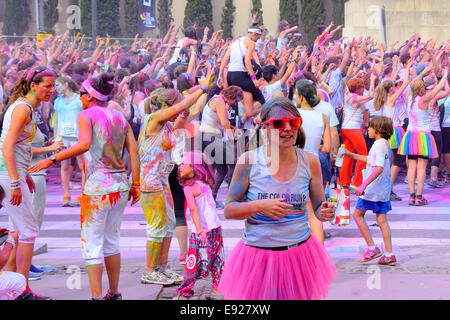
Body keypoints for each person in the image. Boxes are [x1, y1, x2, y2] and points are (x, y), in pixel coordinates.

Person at [29, 73, 141, 300]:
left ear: (89, 96)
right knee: (112, 242)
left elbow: (84, 144)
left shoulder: (86, 115)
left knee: (92, 244)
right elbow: (134, 151)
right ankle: (114, 293)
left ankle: (97, 297)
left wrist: (51, 158)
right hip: (120, 185)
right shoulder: (119, 117)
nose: (80, 98)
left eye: (82, 94)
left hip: (98, 188)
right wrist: (135, 183)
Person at [218, 97, 336, 300]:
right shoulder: (249, 161)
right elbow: (229, 210)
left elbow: (317, 205)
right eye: (279, 124)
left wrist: (324, 211)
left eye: (294, 123)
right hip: (258, 258)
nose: (288, 129)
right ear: (264, 128)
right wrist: (258, 206)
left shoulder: (310, 162)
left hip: (299, 256)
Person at [139, 77, 212, 286]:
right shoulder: (153, 118)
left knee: (169, 224)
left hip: (162, 182)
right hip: (150, 182)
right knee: (157, 226)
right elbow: (183, 106)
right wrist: (202, 87)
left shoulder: (167, 126)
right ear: (167, 106)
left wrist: (191, 107)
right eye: (176, 103)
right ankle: (150, 269)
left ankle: (161, 267)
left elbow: (184, 114)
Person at [0, 66, 57, 300]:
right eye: (47, 86)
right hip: (7, 175)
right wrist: (15, 181)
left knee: (19, 232)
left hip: (11, 173)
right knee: (28, 232)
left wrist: (24, 175)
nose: (51, 91)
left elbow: (20, 147)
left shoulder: (25, 107)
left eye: (53, 86)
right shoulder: (23, 109)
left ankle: (13, 286)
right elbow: (6, 146)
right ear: (33, 85)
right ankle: (22, 290)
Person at [343, 116, 396, 266]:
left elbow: (378, 167)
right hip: (381, 189)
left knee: (357, 215)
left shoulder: (379, 145)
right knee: (381, 220)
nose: (368, 130)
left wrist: (363, 185)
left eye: (370, 128)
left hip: (373, 189)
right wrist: (351, 154)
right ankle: (389, 254)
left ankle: (372, 248)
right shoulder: (383, 143)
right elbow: (371, 160)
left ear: (378, 130)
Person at [175, 152, 224, 300]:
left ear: (193, 167)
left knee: (192, 262)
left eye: (183, 163)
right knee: (217, 259)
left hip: (201, 231)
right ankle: (217, 289)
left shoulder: (189, 188)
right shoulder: (206, 182)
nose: (180, 167)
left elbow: (193, 209)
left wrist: (199, 228)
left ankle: (185, 293)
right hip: (215, 227)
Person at [398, 70, 447, 206]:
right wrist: (444, 75)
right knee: (421, 168)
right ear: (421, 89)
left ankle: (411, 197)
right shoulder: (424, 99)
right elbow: (438, 88)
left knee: (411, 167)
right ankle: (419, 197)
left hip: (411, 136)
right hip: (423, 136)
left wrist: (422, 73)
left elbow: (413, 85)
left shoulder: (409, 98)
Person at [295, 79, 331, 244]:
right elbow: (328, 147)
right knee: (316, 212)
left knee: (294, 210)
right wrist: (315, 146)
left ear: (301, 97)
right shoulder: (322, 117)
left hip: (296, 163)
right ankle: (319, 254)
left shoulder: (294, 115)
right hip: (315, 163)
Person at [199, 86, 243, 208]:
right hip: (211, 138)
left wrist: (235, 130)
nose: (235, 104)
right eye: (236, 101)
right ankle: (231, 198)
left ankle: (212, 197)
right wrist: (232, 137)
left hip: (207, 138)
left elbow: (223, 123)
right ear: (232, 97)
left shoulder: (216, 99)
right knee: (233, 164)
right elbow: (224, 124)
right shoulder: (219, 102)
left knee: (222, 169)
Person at [375, 64, 411, 199]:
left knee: (388, 161)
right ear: (391, 89)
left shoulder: (384, 98)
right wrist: (407, 68)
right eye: (394, 86)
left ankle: (384, 188)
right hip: (394, 131)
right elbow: (406, 82)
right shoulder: (391, 98)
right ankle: (388, 189)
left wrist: (396, 66)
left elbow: (392, 82)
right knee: (398, 161)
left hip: (386, 131)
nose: (396, 87)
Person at [218, 25, 265, 127]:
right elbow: (247, 61)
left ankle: (235, 120)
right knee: (262, 100)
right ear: (254, 34)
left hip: (230, 75)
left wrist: (220, 75)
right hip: (240, 75)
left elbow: (224, 60)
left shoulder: (234, 43)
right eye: (258, 37)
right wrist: (254, 79)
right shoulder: (251, 43)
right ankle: (247, 115)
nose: (257, 41)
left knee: (237, 99)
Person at [339, 76, 375, 189]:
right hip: (352, 129)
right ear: (357, 88)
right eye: (362, 87)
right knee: (362, 154)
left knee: (348, 155)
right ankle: (357, 182)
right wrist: (372, 80)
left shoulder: (347, 95)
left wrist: (357, 73)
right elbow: (371, 96)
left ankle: (343, 182)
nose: (363, 89)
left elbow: (346, 83)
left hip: (346, 128)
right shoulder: (354, 98)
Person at [53, 76, 85, 206]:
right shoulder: (57, 101)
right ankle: (66, 194)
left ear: (66, 84)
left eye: (57, 85)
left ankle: (83, 193)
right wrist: (56, 137)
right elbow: (57, 120)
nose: (55, 88)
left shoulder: (79, 100)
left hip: (78, 136)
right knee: (64, 165)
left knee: (82, 164)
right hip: (63, 137)